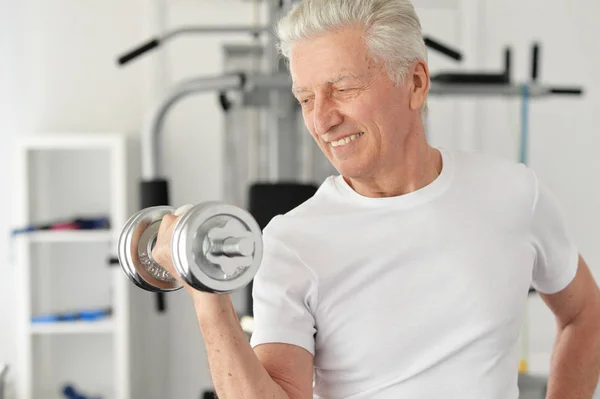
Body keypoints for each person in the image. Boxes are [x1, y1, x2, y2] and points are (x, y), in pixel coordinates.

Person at [152, 0, 600, 397]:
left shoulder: (513, 193)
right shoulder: (292, 242)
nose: (322, 120)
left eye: (343, 89)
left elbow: (586, 314)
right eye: (305, 99)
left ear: (416, 83)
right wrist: (205, 292)